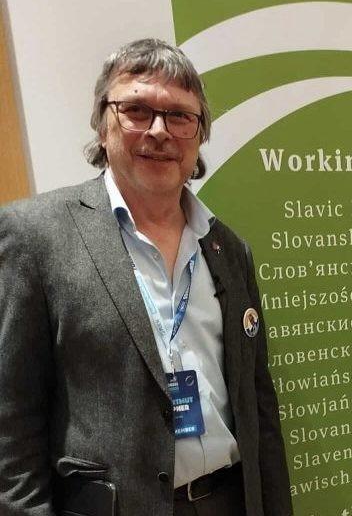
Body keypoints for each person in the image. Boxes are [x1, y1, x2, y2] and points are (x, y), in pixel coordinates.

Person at [0, 39, 292, 515]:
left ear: (198, 135)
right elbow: (11, 424)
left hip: (230, 500)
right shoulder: (35, 237)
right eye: (136, 110)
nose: (159, 131)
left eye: (179, 116)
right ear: (103, 124)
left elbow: (260, 408)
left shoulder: (229, 249)